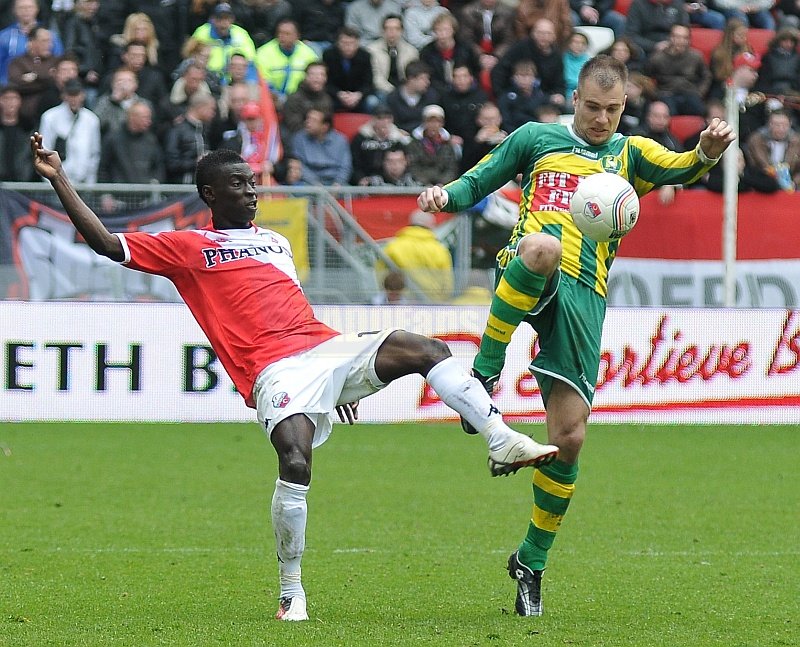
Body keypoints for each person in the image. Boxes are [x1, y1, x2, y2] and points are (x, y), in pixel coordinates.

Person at [31, 138, 560, 622]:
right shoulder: (187, 247)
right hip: (273, 368)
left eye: (253, 182)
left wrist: (338, 381)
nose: (252, 191)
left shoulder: (275, 243)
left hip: (322, 348)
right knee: (296, 460)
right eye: (238, 184)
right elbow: (105, 243)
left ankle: (501, 440)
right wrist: (58, 177)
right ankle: (292, 591)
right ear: (210, 194)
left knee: (425, 348)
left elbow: (293, 309)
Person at [416, 54, 735, 617]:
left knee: (569, 439)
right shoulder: (536, 137)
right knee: (543, 246)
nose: (602, 119)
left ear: (624, 107)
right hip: (530, 265)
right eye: (593, 107)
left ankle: (530, 562)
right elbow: (478, 180)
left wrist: (707, 151)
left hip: (586, 294)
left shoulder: (631, 153)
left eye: (613, 110)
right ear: (575, 99)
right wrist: (445, 196)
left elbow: (683, 166)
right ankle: (483, 378)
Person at [38, 78, 100, 183]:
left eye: (76, 94)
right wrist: (49, 182)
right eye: (70, 94)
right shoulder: (49, 117)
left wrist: (90, 184)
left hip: (83, 183)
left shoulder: (92, 119)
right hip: (56, 182)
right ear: (63, 95)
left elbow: (94, 154)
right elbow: (44, 149)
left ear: (83, 95)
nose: (74, 99)